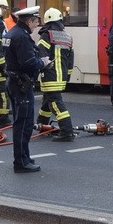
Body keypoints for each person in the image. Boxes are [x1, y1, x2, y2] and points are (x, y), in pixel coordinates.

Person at [4, 6, 50, 173]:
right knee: (24, 124)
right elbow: (27, 62)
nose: (36, 26)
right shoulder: (22, 37)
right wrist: (42, 63)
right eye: (36, 22)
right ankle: (21, 162)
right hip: (21, 84)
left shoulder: (12, 33)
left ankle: (24, 156)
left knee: (20, 122)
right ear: (29, 21)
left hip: (14, 82)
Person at [36, 8, 76, 141]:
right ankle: (42, 125)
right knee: (47, 102)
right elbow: (71, 60)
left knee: (56, 105)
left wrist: (37, 70)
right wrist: (67, 76)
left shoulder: (46, 35)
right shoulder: (67, 36)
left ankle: (66, 132)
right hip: (62, 77)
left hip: (50, 76)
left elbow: (41, 55)